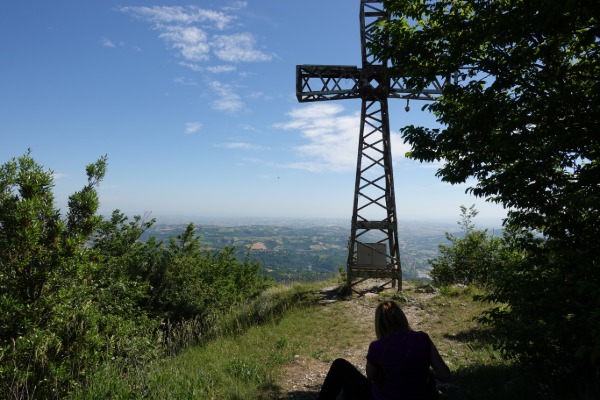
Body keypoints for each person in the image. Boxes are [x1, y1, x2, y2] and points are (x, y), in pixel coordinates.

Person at [317, 300, 451, 400]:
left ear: (379, 324)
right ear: (402, 318)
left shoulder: (378, 347)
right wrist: (426, 371)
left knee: (340, 365)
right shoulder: (423, 339)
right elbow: (445, 375)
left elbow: (370, 376)